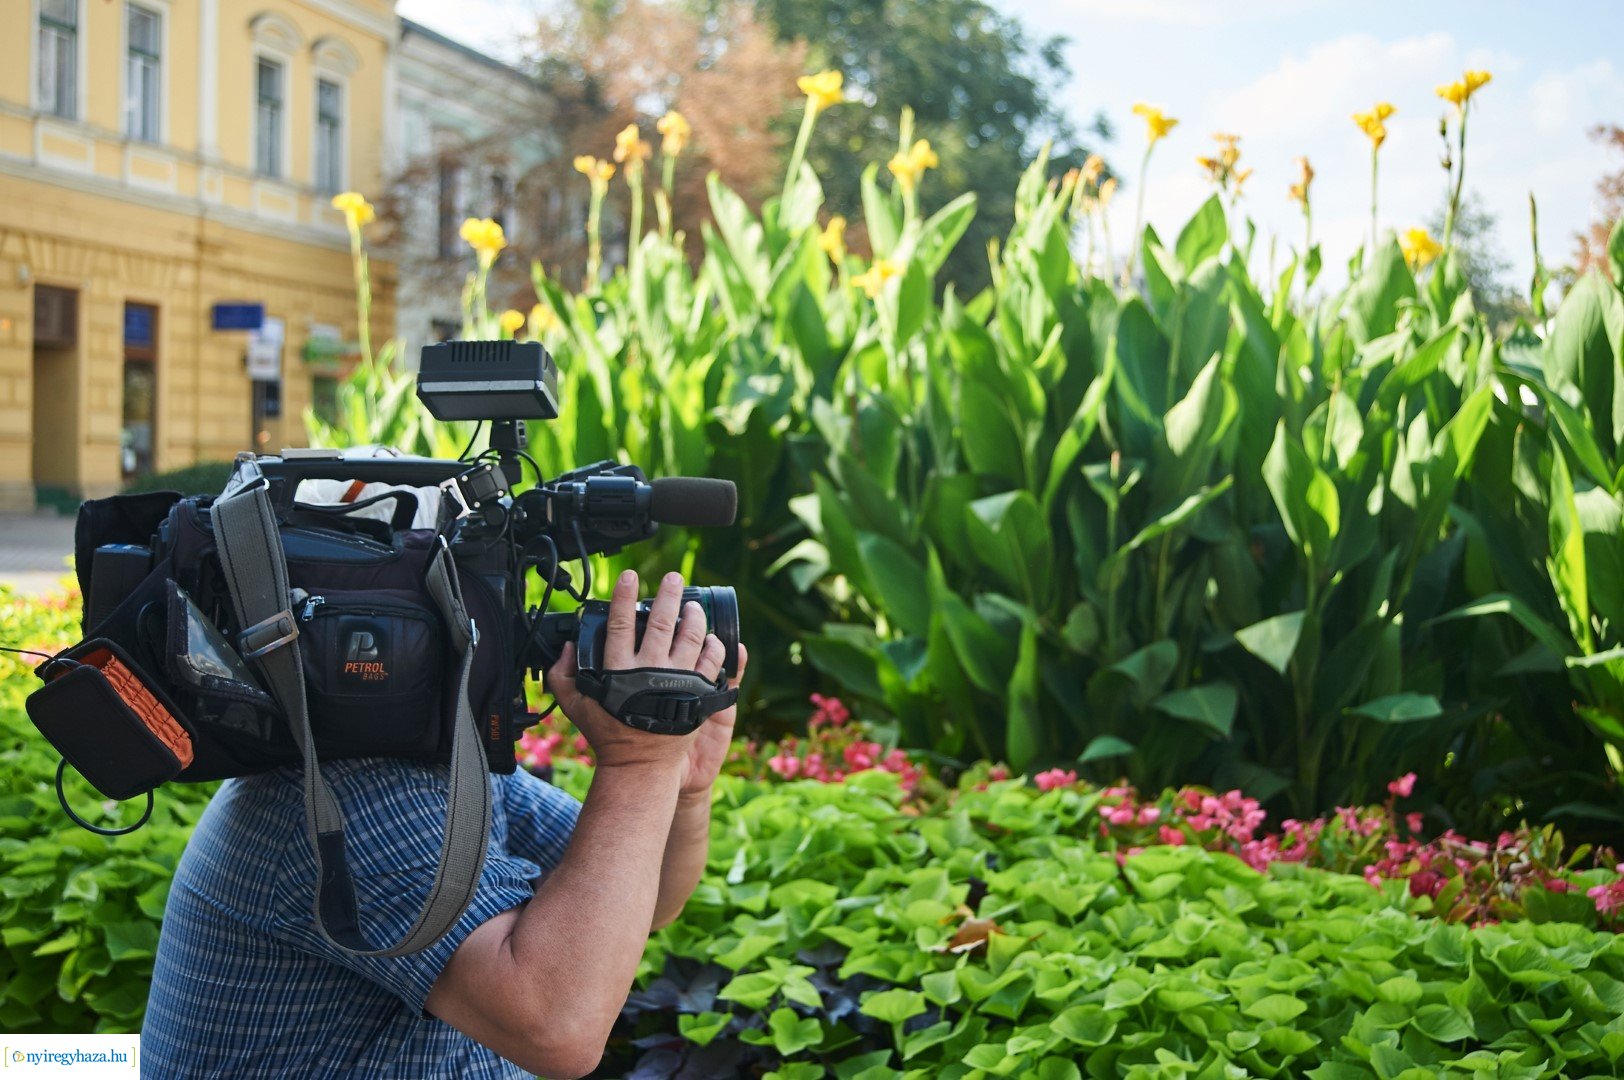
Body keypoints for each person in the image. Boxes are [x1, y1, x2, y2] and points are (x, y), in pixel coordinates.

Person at [143, 569, 748, 1078]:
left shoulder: (432, 763)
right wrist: (641, 761)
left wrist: (678, 786)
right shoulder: (354, 796)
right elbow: (558, 1028)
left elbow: (646, 902)